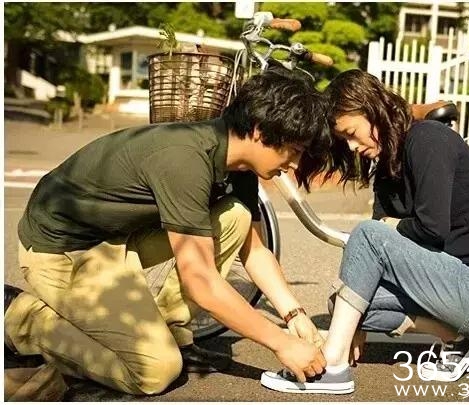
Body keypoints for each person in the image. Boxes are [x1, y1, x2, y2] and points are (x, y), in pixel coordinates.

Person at [4, 69, 329, 395]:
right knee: (154, 371)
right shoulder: (185, 160)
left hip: (116, 236)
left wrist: (295, 315)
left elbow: (255, 250)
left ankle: (172, 334)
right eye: (294, 150)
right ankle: (20, 317)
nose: (295, 164)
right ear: (259, 131)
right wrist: (281, 343)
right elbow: (200, 282)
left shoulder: (239, 167)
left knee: (236, 217)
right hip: (62, 251)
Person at [261, 69, 469, 394]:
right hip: (456, 291)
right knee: (344, 304)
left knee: (368, 234)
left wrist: (388, 226)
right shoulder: (388, 169)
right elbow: (369, 261)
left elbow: (430, 229)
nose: (351, 146)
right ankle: (455, 336)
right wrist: (353, 323)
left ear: (371, 109)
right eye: (344, 139)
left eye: (351, 133)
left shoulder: (428, 139)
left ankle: (333, 366)